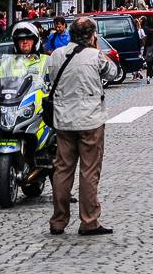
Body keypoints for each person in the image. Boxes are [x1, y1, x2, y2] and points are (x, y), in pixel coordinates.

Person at [48, 16, 113, 236]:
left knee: (62, 169)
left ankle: (58, 220)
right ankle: (89, 220)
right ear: (92, 36)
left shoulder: (56, 55)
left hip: (64, 120)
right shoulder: (96, 56)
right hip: (90, 120)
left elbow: (51, 78)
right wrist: (96, 49)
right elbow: (112, 72)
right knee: (89, 171)